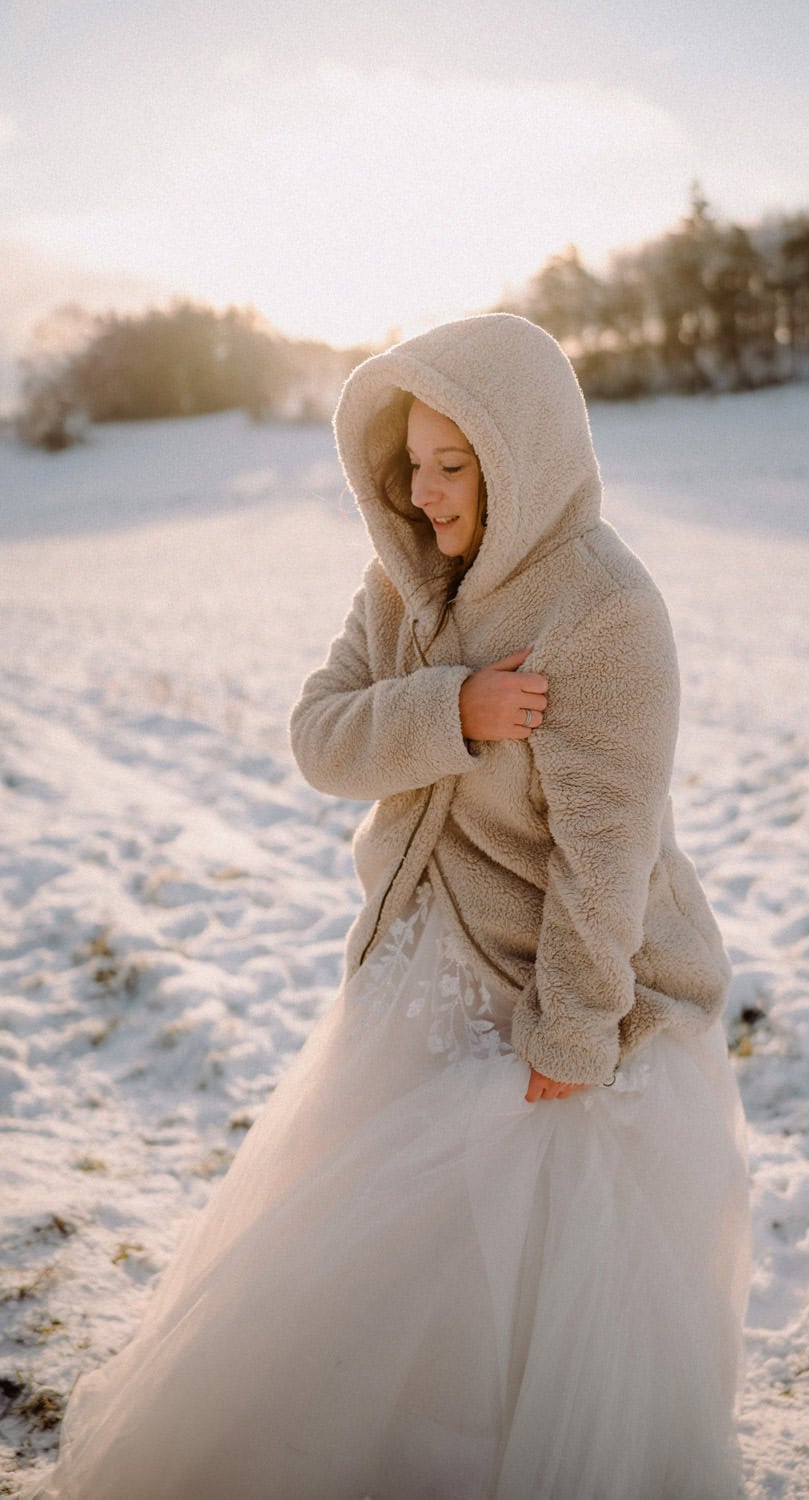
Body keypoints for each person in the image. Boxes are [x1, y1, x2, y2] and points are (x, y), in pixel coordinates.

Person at [28, 313, 751, 1500]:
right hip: (419, 980)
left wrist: (570, 1032)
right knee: (379, 1293)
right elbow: (320, 740)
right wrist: (450, 710)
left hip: (575, 1014)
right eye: (410, 466)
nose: (425, 496)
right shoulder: (401, 586)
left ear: (522, 455)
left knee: (522, 1322)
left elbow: (606, 854)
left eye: (453, 467)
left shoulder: (606, 610)